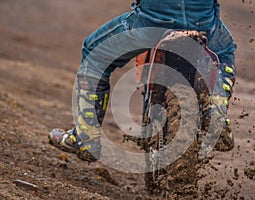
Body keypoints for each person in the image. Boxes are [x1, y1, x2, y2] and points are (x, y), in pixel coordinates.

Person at [49, 0, 236, 162]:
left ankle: (85, 136)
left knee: (94, 53)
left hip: (152, 22)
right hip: (203, 23)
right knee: (224, 52)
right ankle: (217, 110)